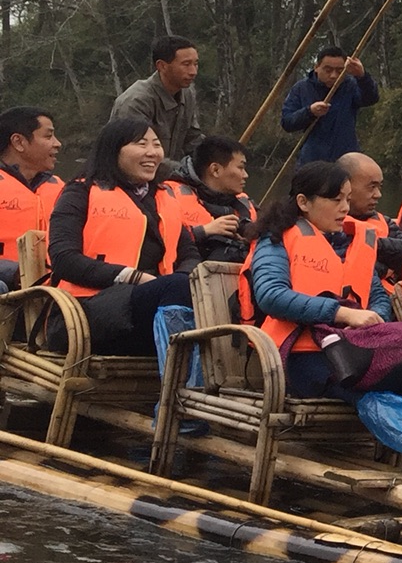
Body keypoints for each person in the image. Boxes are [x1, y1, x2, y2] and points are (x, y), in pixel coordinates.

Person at [48, 118, 202, 356]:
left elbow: (189, 253)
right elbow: (64, 259)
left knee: (196, 287)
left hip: (151, 306)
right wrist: (133, 277)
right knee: (177, 288)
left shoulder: (163, 199)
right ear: (113, 150)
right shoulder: (80, 192)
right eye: (141, 144)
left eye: (156, 144)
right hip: (84, 314)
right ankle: (180, 381)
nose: (152, 152)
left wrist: (184, 281)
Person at [242, 160, 391, 397]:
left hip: (353, 348)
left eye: (348, 200)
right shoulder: (275, 240)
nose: (345, 208)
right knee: (372, 393)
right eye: (335, 200)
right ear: (303, 202)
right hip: (296, 356)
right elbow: (271, 296)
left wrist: (374, 320)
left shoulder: (351, 245)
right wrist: (342, 313)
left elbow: (377, 294)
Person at [109, 35, 203, 175]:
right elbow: (136, 155)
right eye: (186, 64)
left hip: (166, 180)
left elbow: (192, 140)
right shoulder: (136, 101)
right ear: (162, 66)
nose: (193, 72)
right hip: (130, 180)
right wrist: (184, 173)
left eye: (195, 64)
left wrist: (216, 157)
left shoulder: (187, 94)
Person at [280, 45, 380, 164]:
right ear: (316, 67)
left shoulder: (351, 86)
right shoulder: (301, 88)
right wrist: (309, 112)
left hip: (346, 160)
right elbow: (287, 122)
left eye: (339, 71)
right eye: (328, 70)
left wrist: (362, 76)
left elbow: (371, 99)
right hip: (312, 161)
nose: (333, 75)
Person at [0, 106, 63, 291]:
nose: (57, 143)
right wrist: (14, 272)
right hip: (8, 288)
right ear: (18, 142)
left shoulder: (64, 189)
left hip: (58, 285)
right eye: (48, 136)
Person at [168, 134, 256, 266]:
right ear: (215, 170)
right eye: (240, 168)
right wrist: (204, 231)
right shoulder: (169, 196)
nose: (245, 175)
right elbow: (158, 242)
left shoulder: (243, 203)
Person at [338, 151, 402, 275]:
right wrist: (383, 269)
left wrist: (372, 242)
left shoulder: (385, 222)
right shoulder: (327, 223)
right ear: (346, 186)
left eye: (379, 187)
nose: (378, 195)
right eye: (371, 187)